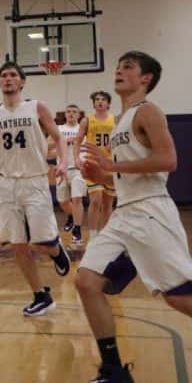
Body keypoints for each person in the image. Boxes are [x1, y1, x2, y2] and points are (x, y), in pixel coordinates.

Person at [75, 51, 192, 383]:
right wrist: (103, 175)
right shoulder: (120, 120)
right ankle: (114, 371)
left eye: (128, 67)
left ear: (146, 78)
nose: (119, 71)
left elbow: (168, 160)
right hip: (124, 213)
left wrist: (110, 165)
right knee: (86, 282)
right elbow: (128, 176)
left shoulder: (148, 111)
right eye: (118, 66)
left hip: (151, 212)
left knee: (178, 296)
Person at [0, 61, 71, 317]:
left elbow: (58, 137)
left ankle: (56, 251)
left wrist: (63, 163)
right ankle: (41, 296)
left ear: (22, 82)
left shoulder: (37, 107)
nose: (8, 78)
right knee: (18, 245)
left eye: (13, 75)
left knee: (43, 243)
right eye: (3, 75)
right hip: (5, 184)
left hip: (34, 180)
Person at [76, 91, 116, 237]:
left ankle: (105, 235)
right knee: (96, 199)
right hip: (92, 164)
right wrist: (76, 158)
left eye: (103, 99)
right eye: (97, 99)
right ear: (94, 104)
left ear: (108, 104)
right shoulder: (87, 121)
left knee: (107, 204)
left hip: (110, 165)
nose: (100, 101)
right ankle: (93, 236)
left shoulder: (115, 120)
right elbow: (78, 141)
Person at [54, 104, 85, 246]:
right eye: (68, 111)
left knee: (77, 199)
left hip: (78, 168)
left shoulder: (82, 129)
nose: (71, 114)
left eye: (74, 111)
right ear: (65, 114)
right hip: (62, 169)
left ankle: (77, 230)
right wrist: (62, 142)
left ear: (79, 115)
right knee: (62, 201)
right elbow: (48, 146)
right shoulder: (58, 129)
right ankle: (72, 216)